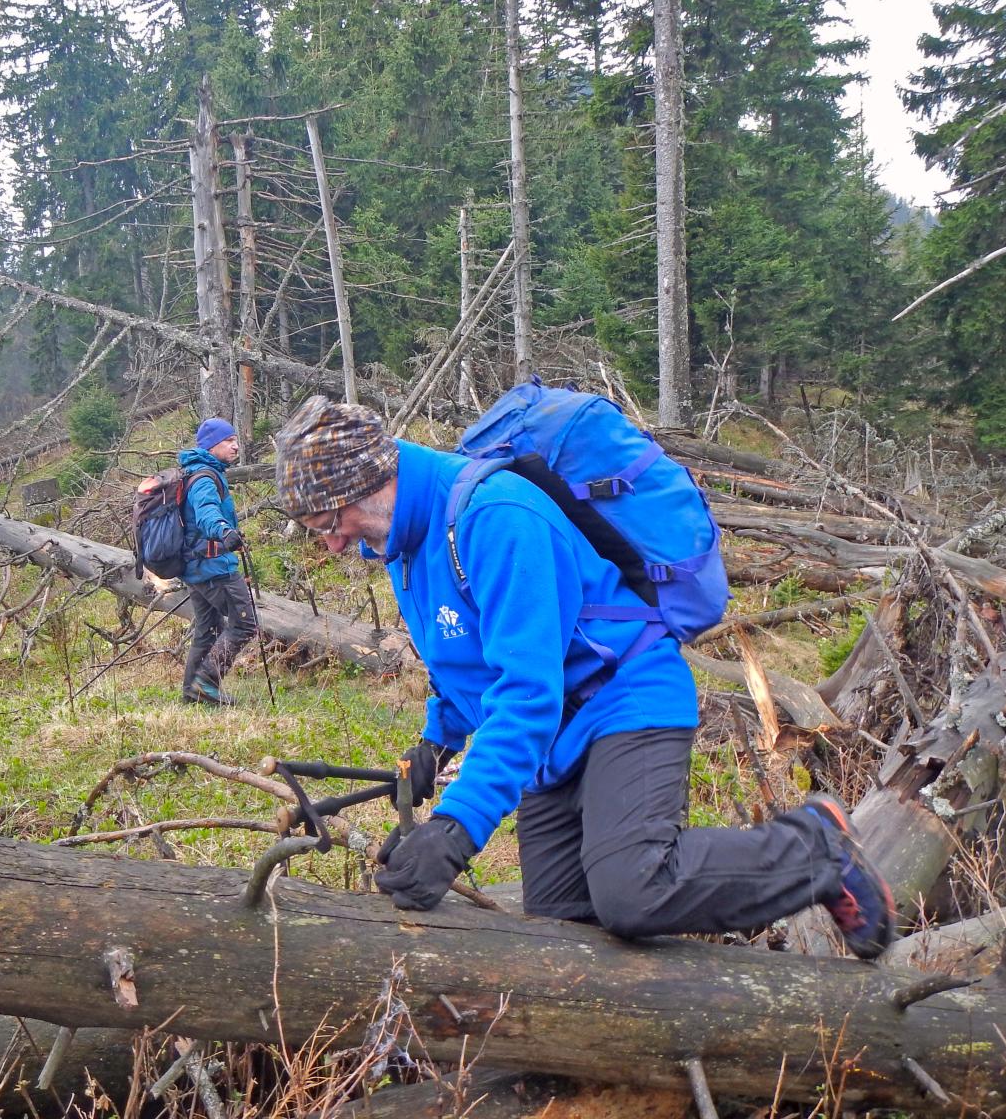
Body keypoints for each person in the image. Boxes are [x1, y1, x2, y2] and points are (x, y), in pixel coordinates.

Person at [272, 395, 896, 958]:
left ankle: (816, 848)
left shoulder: (494, 518)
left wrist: (455, 830)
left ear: (375, 483)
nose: (332, 545)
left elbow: (527, 693)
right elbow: (463, 653)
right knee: (563, 935)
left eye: (329, 523)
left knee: (633, 890)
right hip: (555, 742)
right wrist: (439, 740)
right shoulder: (400, 543)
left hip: (624, 697)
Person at [178, 417, 257, 706]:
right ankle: (206, 684)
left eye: (235, 439)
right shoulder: (204, 478)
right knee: (245, 624)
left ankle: (192, 692)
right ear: (212, 446)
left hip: (196, 566)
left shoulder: (197, 472)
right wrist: (224, 531)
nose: (236, 445)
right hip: (213, 567)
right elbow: (206, 512)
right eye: (229, 441)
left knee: (208, 628)